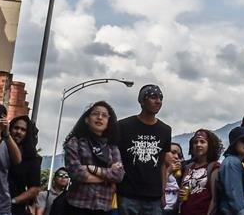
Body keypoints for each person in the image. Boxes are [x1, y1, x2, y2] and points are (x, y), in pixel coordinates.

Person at [61, 101, 125, 215]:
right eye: (96, 114)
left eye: (104, 115)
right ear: (87, 119)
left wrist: (92, 169)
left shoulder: (112, 147)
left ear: (108, 122)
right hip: (78, 204)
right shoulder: (75, 143)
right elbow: (76, 173)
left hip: (104, 207)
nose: (100, 117)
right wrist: (108, 177)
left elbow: (119, 175)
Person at [117, 85, 172, 215]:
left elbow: (163, 163)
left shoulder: (165, 130)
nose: (158, 101)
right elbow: (115, 159)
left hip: (154, 197)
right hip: (127, 194)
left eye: (161, 98)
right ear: (142, 101)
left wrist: (163, 192)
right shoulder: (123, 126)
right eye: (153, 97)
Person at [215, 127, 244, 215]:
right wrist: (243, 212)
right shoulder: (232, 162)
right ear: (234, 143)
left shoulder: (233, 162)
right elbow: (234, 193)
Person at [179, 130, 222, 215]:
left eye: (202, 142)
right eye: (195, 142)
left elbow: (215, 199)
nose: (198, 145)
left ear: (210, 145)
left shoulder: (214, 167)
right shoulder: (188, 167)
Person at [7, 115, 43, 215]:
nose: (18, 132)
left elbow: (34, 189)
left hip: (13, 209)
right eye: (16, 128)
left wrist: (13, 201)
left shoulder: (32, 158)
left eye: (23, 130)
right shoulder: (0, 148)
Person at [164, 144, 183, 215]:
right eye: (173, 152)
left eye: (179, 155)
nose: (176, 157)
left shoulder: (178, 174)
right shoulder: (155, 171)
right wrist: (168, 172)